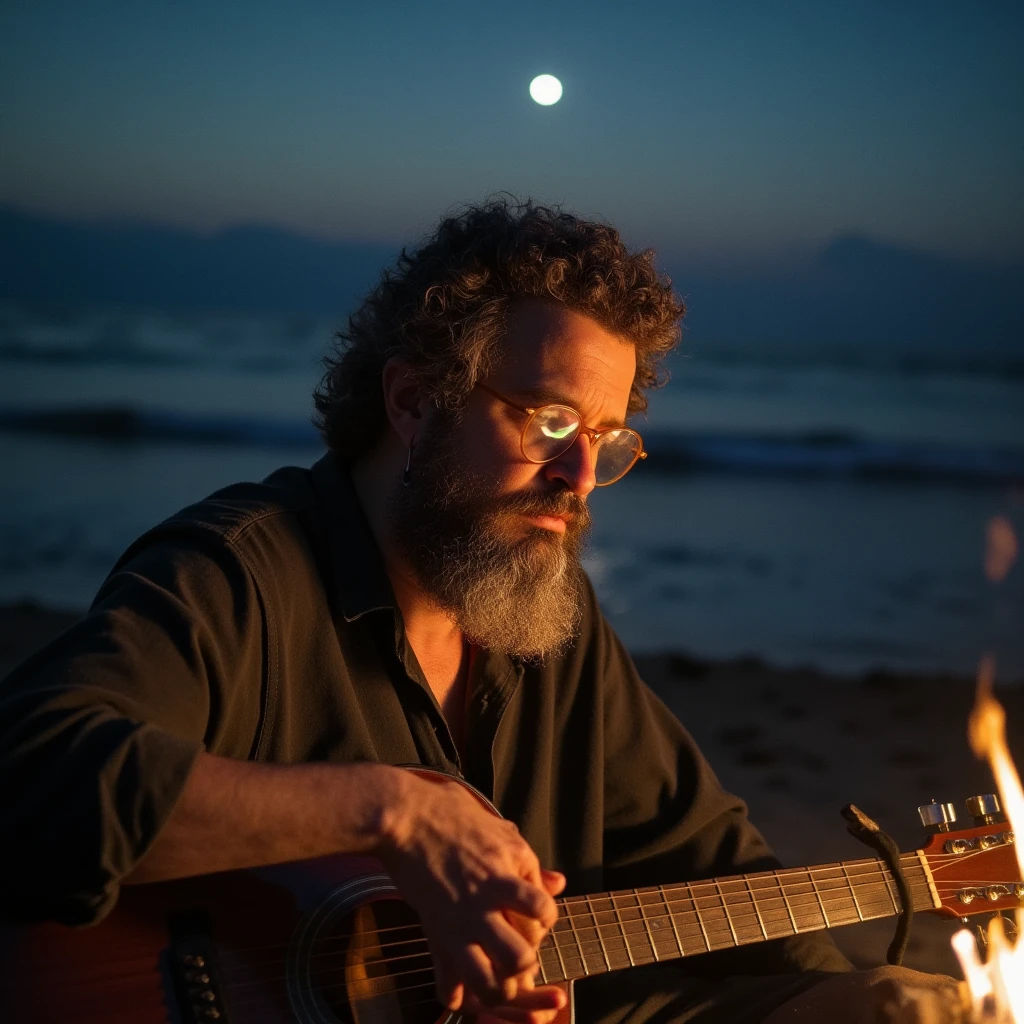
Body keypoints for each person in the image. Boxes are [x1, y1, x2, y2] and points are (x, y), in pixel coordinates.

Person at [0, 200, 957, 1023]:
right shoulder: (243, 572)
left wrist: (850, 999)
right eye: (547, 420)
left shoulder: (545, 617)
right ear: (415, 403)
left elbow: (703, 868)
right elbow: (32, 777)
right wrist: (395, 813)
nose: (581, 476)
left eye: (607, 437)